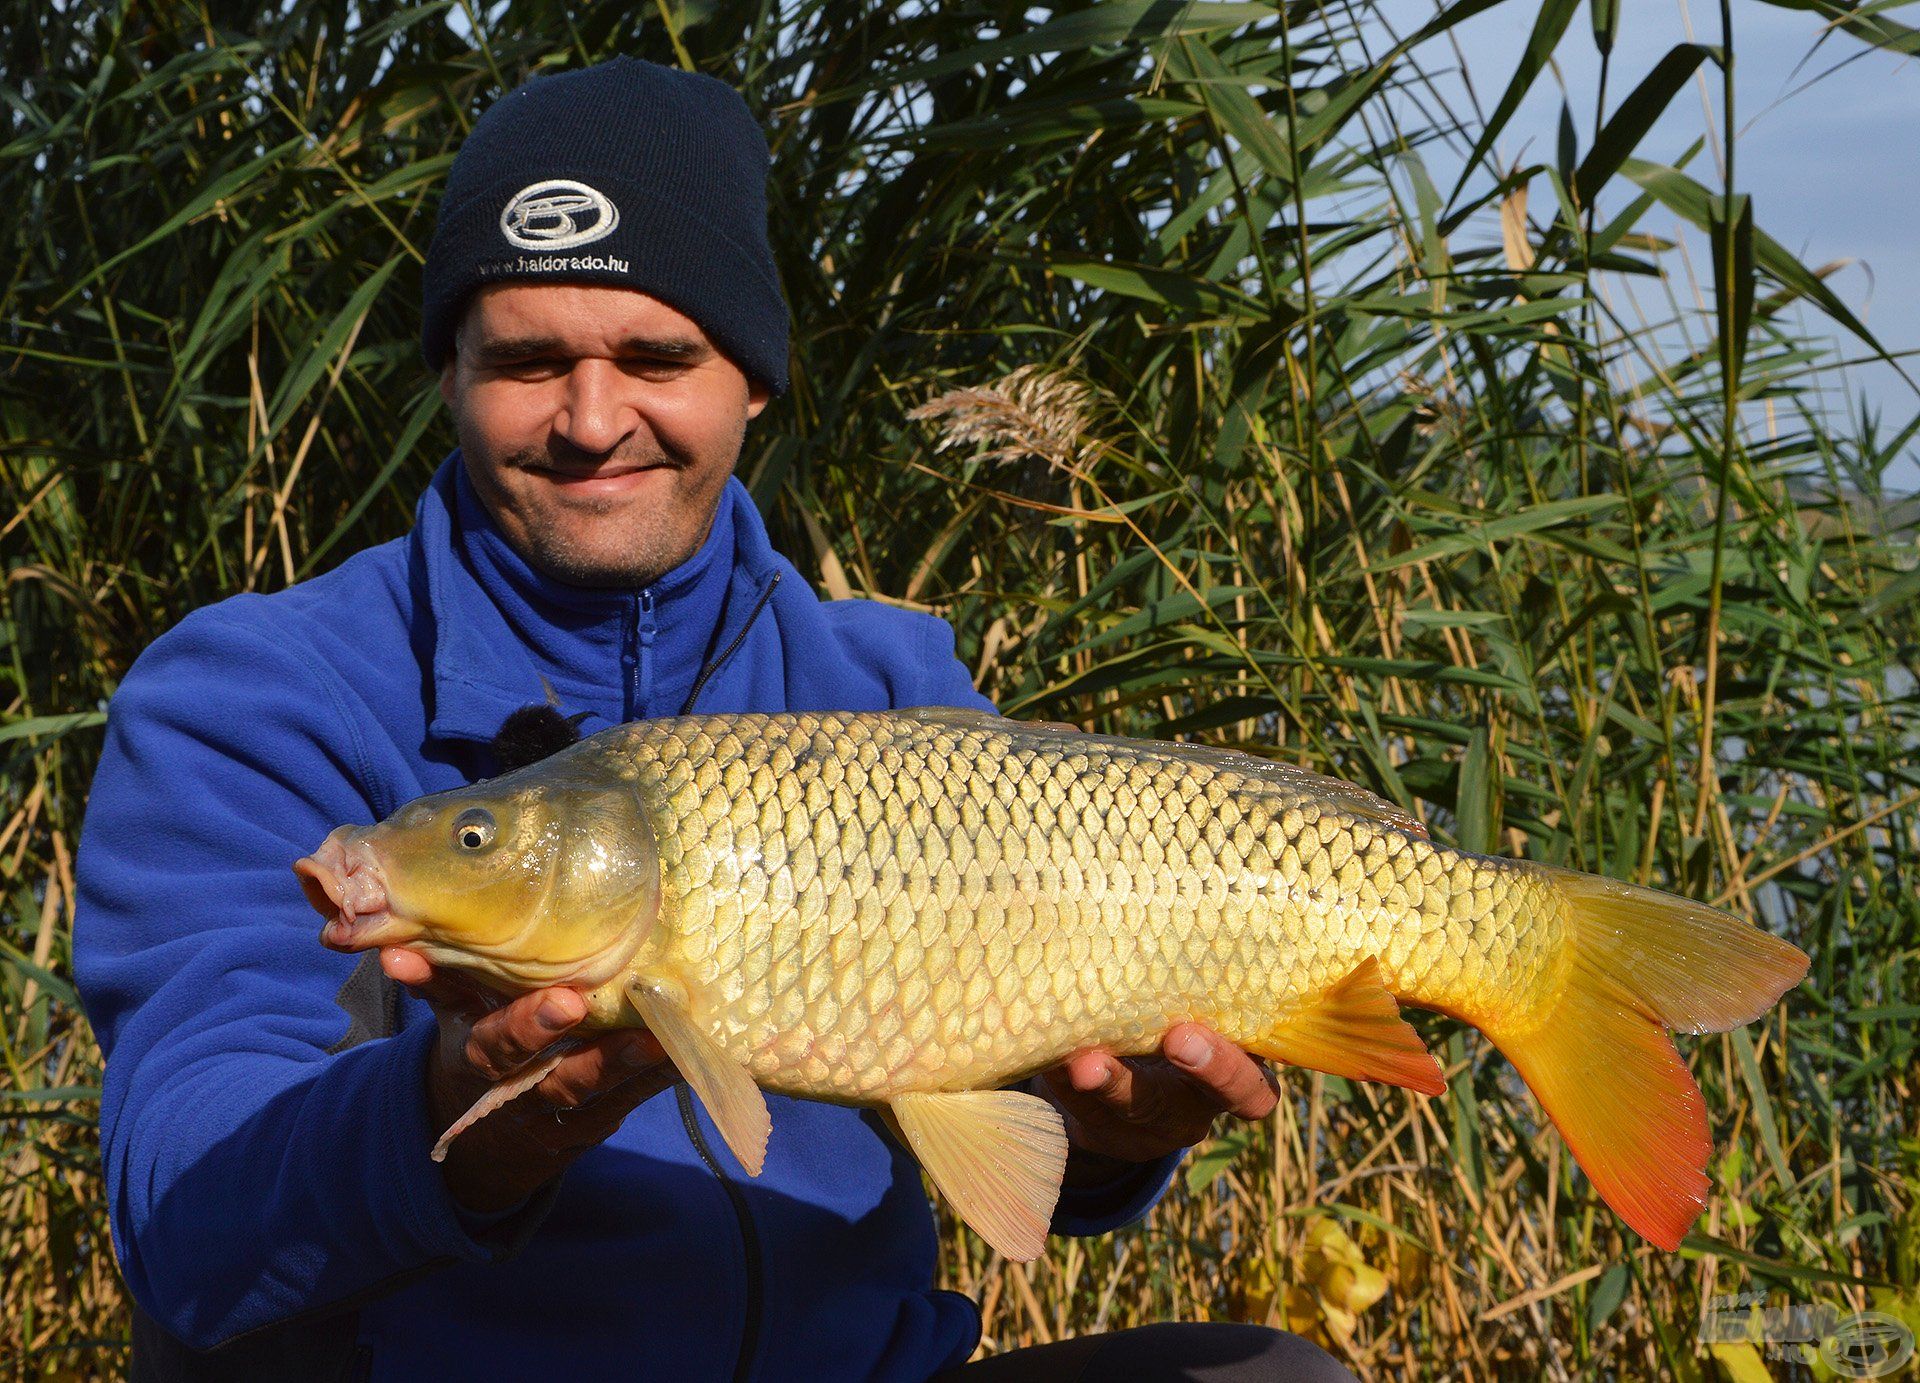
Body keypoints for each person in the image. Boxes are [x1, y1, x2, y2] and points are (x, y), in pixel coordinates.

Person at [73, 57, 1357, 1382]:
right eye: (524, 359)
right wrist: (462, 1117)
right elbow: (188, 1208)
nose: (589, 418)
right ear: (448, 373)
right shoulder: (253, 697)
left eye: (655, 356)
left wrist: (1120, 1139)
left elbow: (1031, 1128)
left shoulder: (894, 693)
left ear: (750, 376)